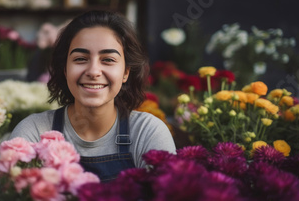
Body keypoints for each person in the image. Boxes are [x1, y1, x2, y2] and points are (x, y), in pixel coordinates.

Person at [9, 10, 176, 182]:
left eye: (108, 59)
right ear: (65, 69)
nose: (93, 71)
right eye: (80, 59)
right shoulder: (34, 132)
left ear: (126, 72)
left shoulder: (147, 133)